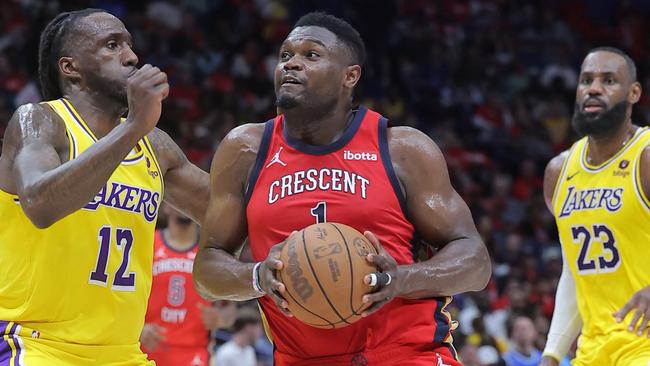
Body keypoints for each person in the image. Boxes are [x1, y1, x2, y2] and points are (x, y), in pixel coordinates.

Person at [193, 12, 491, 365]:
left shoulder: (404, 150)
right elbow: (207, 268)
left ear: (350, 76)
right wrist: (256, 275)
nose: (292, 65)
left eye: (311, 55)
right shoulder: (244, 150)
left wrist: (401, 279)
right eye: (286, 55)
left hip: (406, 354)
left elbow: (475, 262)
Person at [0, 9, 209, 365]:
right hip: (38, 346)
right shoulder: (41, 121)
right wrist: (132, 128)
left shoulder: (155, 146)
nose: (131, 56)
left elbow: (229, 214)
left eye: (129, 45)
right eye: (112, 45)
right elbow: (39, 202)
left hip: (124, 354)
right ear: (71, 68)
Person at [541, 47, 650, 365]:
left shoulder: (645, 158)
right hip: (593, 349)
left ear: (633, 93)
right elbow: (574, 274)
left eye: (609, 81)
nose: (594, 88)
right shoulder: (559, 172)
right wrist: (552, 353)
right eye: (586, 80)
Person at [141, 205, 235, 366]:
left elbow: (230, 310)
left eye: (186, 200)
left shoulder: (211, 253)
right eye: (177, 200)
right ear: (165, 207)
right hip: (147, 349)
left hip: (194, 354)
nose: (182, 204)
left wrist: (221, 319)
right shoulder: (148, 242)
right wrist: (138, 329)